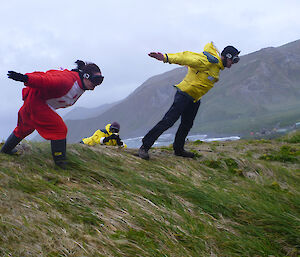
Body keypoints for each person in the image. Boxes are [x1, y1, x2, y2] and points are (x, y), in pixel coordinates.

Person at [138, 42, 240, 160]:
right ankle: (144, 147)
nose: (234, 63)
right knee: (168, 121)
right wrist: (165, 58)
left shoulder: (217, 67)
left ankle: (178, 149)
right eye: (235, 60)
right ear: (228, 56)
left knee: (186, 125)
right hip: (184, 95)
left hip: (195, 99)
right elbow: (186, 57)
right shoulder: (207, 61)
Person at [1, 60, 104, 168]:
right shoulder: (67, 81)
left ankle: (5, 151)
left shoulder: (80, 83)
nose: (96, 85)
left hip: (35, 100)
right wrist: (25, 78)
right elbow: (46, 80)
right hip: (37, 102)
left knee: (25, 128)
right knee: (59, 129)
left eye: (100, 81)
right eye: (95, 80)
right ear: (85, 76)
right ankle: (61, 164)